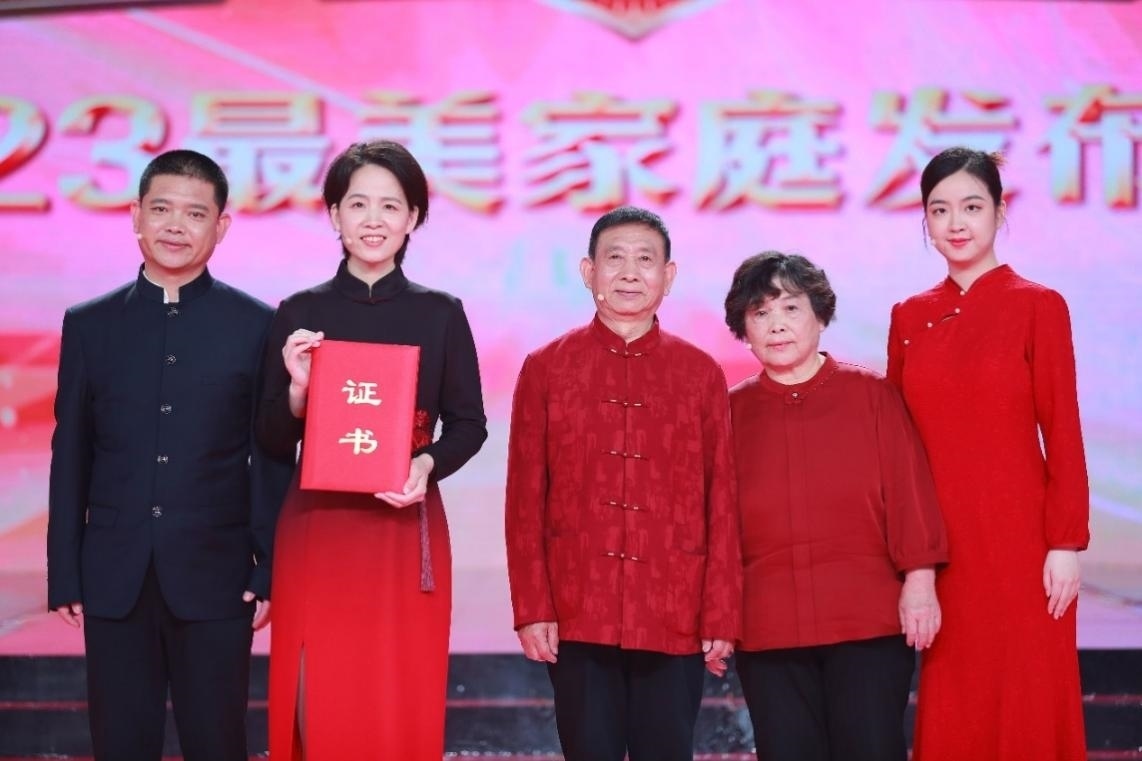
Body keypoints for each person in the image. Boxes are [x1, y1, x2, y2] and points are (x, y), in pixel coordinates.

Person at [47, 148, 293, 761]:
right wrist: (65, 571)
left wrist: (269, 566)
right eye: (161, 210)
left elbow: (268, 454)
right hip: (113, 574)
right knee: (120, 744)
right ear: (136, 215)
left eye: (194, 213)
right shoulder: (90, 325)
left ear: (221, 226)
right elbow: (70, 455)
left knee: (217, 742)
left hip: (218, 576)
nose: (175, 226)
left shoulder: (257, 325)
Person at [256, 140, 487, 760]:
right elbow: (271, 437)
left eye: (391, 205)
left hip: (402, 523)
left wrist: (426, 464)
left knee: (394, 689)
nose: (373, 220)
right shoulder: (300, 312)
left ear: (413, 218)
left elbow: (470, 425)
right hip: (318, 529)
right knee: (320, 692)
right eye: (358, 204)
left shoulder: (440, 314)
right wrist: (299, 392)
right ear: (335, 214)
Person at [504, 206, 742, 761]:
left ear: (669, 276)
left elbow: (722, 501)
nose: (630, 273)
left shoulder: (700, 373)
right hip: (577, 607)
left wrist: (721, 613)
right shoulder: (547, 367)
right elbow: (524, 501)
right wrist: (533, 608)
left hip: (674, 606)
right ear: (588, 271)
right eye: (615, 258)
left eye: (645, 260)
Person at [887, 147, 1090, 760]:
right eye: (939, 209)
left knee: (1028, 696)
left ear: (1000, 212)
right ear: (925, 220)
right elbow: (897, 448)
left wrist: (1064, 543)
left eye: (972, 207)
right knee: (957, 701)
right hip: (943, 550)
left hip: (1023, 548)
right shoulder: (910, 316)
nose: (956, 223)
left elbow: (1063, 429)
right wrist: (912, 556)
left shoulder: (1038, 305)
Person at [723, 252, 947, 761]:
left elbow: (909, 492)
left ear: (820, 315)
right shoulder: (729, 413)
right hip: (768, 627)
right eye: (760, 313)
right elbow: (714, 525)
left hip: (866, 623)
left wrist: (920, 582)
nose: (777, 325)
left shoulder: (871, 394)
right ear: (744, 329)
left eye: (791, 308)